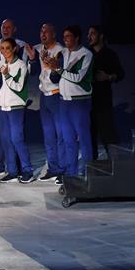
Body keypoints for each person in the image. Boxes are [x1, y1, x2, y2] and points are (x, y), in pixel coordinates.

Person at [49, 25, 94, 178]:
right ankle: (71, 173)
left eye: (68, 36)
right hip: (64, 102)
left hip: (79, 102)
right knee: (68, 139)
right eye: (64, 36)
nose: (65, 39)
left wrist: (59, 70)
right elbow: (58, 77)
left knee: (83, 138)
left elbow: (78, 78)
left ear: (76, 38)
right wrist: (53, 68)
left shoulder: (86, 55)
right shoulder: (64, 53)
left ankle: (89, 172)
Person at [24, 23, 66, 181]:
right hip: (44, 96)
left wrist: (52, 65)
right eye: (41, 31)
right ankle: (53, 168)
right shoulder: (38, 48)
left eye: (46, 31)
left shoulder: (60, 50)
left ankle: (63, 169)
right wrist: (33, 59)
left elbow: (59, 75)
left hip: (57, 95)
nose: (43, 34)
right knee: (48, 135)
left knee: (60, 134)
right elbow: (34, 73)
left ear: (53, 34)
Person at [0, 38, 35, 183]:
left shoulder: (21, 65)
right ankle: (12, 171)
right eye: (2, 48)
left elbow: (18, 87)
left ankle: (27, 170)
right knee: (6, 141)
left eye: (7, 48)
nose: (4, 51)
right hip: (1, 108)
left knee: (17, 139)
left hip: (16, 108)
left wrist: (6, 75)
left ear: (14, 48)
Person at [87, 25, 124, 159]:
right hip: (87, 101)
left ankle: (116, 165)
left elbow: (120, 74)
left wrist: (108, 77)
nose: (89, 36)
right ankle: (92, 166)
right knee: (89, 135)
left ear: (101, 36)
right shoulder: (86, 54)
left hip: (104, 101)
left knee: (108, 134)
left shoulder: (110, 54)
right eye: (88, 33)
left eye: (92, 33)